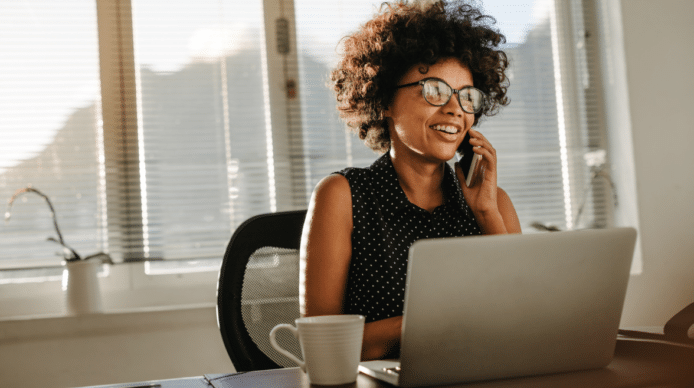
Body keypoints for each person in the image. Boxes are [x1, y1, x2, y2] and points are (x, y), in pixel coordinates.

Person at [299, 0, 522, 361]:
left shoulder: (493, 203)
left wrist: (486, 215)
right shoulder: (342, 196)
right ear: (385, 99)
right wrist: (438, 321)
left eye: (467, 97)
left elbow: (524, 324)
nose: (454, 109)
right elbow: (322, 345)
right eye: (433, 89)